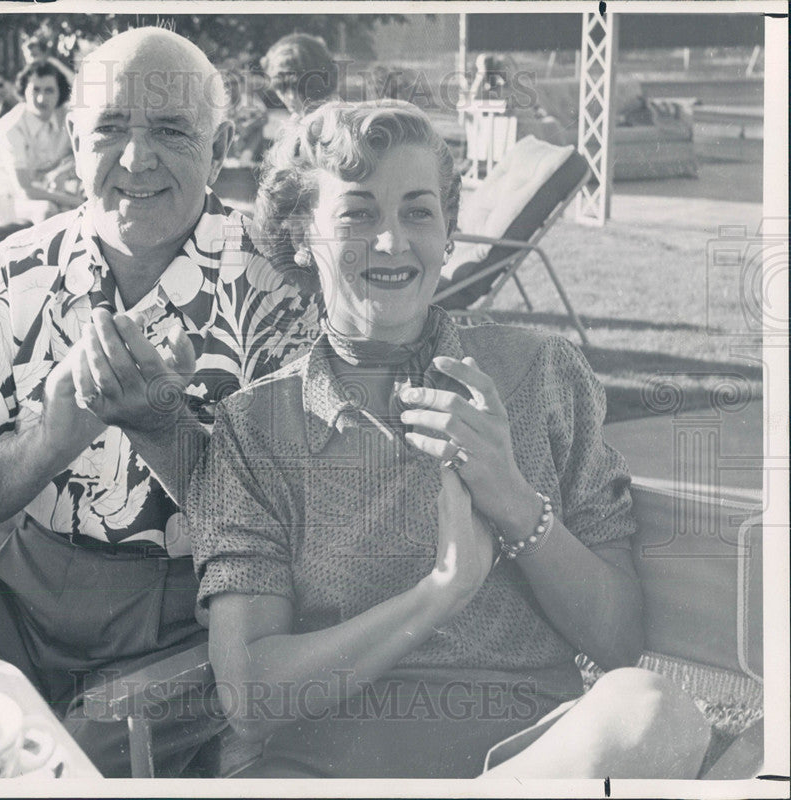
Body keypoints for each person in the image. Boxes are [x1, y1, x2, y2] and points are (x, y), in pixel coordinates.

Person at [187, 100, 712, 779]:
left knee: (648, 711)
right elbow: (250, 695)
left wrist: (515, 501)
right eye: (357, 213)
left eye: (417, 211)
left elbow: (617, 640)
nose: (392, 241)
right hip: (330, 774)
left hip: (529, 766)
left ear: (448, 233)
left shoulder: (543, 374)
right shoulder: (255, 427)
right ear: (299, 234)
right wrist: (441, 590)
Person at [0, 27, 318, 778]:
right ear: (72, 138)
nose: (136, 160)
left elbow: (310, 544)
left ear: (220, 148)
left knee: (63, 762)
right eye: (109, 129)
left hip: (185, 624)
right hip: (17, 586)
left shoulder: (279, 294)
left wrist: (163, 431)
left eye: (169, 130)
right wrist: (46, 442)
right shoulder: (10, 272)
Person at [0, 60, 80, 223]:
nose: (41, 98)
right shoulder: (13, 127)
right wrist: (74, 202)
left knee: (73, 210)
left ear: (60, 93)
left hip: (34, 194)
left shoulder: (59, 119)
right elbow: (25, 190)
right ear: (24, 91)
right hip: (0, 199)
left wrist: (63, 172)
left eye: (49, 91)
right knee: (50, 211)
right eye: (35, 90)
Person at [261, 33, 338, 119]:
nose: (291, 97)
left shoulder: (335, 126)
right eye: (282, 89)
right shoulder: (293, 125)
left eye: (300, 88)